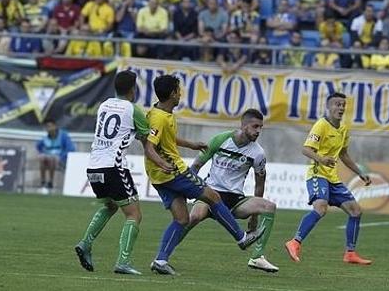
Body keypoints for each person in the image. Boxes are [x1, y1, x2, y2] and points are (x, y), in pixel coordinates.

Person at [145, 75, 265, 275]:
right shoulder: (159, 117)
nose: (181, 93)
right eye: (178, 90)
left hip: (158, 177)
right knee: (213, 197)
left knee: (182, 219)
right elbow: (149, 147)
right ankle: (241, 238)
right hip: (173, 172)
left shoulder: (160, 112)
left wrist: (192, 145)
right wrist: (162, 163)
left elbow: (167, 138)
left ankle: (160, 260)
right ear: (173, 93)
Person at [74, 70, 172, 275]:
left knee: (110, 206)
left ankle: (85, 244)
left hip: (93, 166)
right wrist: (162, 163)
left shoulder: (103, 105)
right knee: (134, 214)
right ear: (132, 90)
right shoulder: (133, 110)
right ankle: (123, 262)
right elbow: (148, 144)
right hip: (114, 166)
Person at [285, 92, 373, 265]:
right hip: (317, 174)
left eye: (343, 105)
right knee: (321, 207)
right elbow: (306, 149)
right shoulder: (321, 125)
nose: (340, 108)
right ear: (328, 106)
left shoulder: (344, 129)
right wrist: (322, 159)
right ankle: (294, 242)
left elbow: (344, 155)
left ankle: (350, 253)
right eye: (336, 104)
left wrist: (359, 173)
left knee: (355, 211)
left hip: (333, 179)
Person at [185, 109, 278, 273]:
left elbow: (259, 184)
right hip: (210, 194)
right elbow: (196, 166)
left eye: (260, 128)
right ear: (243, 125)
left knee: (269, 207)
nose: (258, 131)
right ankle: (163, 257)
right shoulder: (220, 140)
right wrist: (187, 190)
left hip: (235, 200)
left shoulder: (258, 153)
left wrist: (254, 217)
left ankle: (257, 257)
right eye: (255, 126)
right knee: (192, 218)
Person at [36, 118, 75, 190]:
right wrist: (41, 153)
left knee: (52, 158)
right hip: (47, 157)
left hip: (60, 158)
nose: (48, 128)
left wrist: (62, 156)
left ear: (55, 126)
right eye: (47, 127)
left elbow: (71, 148)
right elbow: (38, 146)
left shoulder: (63, 136)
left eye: (50, 126)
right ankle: (43, 181)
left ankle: (50, 181)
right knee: (42, 158)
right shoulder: (45, 137)